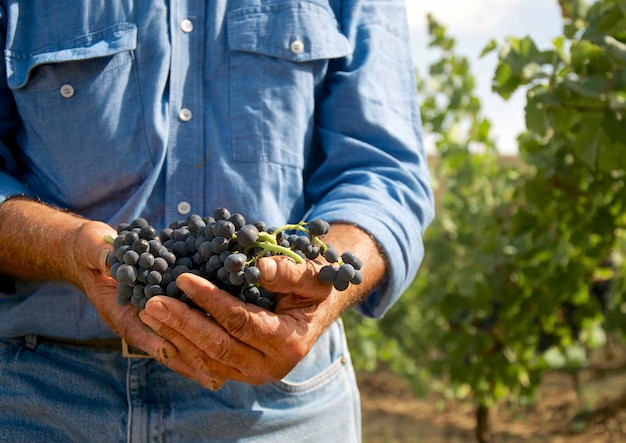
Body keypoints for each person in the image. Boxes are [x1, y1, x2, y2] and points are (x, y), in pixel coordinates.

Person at [0, 1, 434, 441]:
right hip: (40, 393)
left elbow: (385, 172)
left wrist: (319, 287)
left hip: (282, 404)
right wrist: (67, 247)